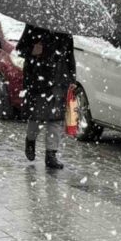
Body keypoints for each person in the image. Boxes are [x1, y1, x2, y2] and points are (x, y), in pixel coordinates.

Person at [16, 25, 76, 170]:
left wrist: (72, 79)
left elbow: (69, 56)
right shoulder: (34, 27)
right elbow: (20, 49)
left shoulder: (65, 31)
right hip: (38, 79)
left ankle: (51, 155)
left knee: (55, 119)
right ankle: (30, 140)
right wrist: (33, 50)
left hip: (58, 79)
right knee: (37, 117)